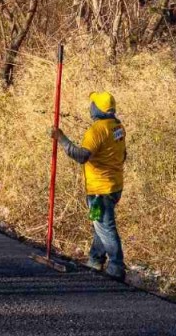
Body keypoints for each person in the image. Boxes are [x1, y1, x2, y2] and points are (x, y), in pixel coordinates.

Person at [51, 91, 127, 280]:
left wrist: (61, 138)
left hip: (100, 191)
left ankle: (116, 267)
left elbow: (81, 156)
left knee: (105, 226)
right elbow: (123, 155)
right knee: (98, 223)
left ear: (97, 108)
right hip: (114, 187)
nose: (89, 107)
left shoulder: (97, 130)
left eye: (92, 104)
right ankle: (95, 260)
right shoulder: (118, 127)